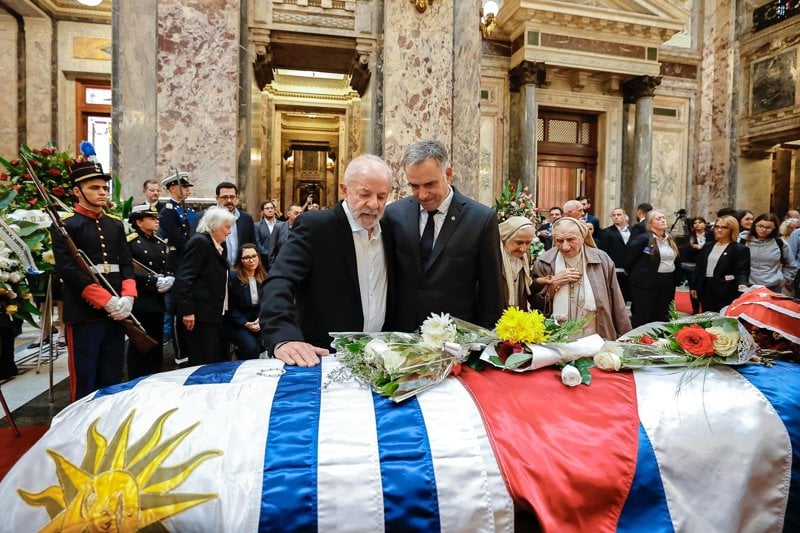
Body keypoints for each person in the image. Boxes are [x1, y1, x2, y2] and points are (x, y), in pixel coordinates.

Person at [261, 154, 394, 367]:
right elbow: (279, 281)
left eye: (381, 196)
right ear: (344, 189)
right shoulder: (316, 227)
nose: (374, 204)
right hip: (323, 357)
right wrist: (283, 337)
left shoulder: (390, 229)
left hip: (381, 357)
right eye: (364, 194)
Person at [383, 140, 503, 331]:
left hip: (456, 335)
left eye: (430, 184)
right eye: (414, 186)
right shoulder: (394, 214)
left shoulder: (481, 219)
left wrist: (489, 343)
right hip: (402, 333)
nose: (422, 195)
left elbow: (492, 290)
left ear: (448, 174)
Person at [50, 161, 137, 401]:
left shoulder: (115, 225)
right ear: (77, 191)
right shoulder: (65, 226)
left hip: (117, 310)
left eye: (104, 188)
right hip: (84, 312)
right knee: (85, 374)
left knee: (112, 371)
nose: (102, 192)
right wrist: (105, 300)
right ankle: (81, 425)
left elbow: (126, 263)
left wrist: (128, 296)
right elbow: (68, 270)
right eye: (95, 187)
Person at [530, 217, 631, 339]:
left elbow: (616, 300)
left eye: (571, 239)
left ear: (583, 238)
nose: (565, 247)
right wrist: (553, 285)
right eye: (559, 241)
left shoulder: (601, 259)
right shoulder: (543, 263)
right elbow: (535, 306)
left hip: (594, 332)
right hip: (557, 336)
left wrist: (625, 337)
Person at [173, 206, 234, 366]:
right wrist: (187, 311)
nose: (229, 232)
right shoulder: (200, 242)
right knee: (202, 357)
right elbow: (184, 278)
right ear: (215, 226)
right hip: (200, 313)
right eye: (227, 227)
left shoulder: (218, 244)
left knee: (213, 355)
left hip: (214, 311)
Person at [126, 204, 173, 378]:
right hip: (141, 299)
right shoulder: (131, 242)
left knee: (156, 342)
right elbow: (128, 270)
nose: (156, 221)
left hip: (157, 299)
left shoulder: (158, 242)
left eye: (156, 218)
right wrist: (152, 281)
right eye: (151, 218)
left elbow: (165, 263)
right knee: (141, 343)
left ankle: (154, 376)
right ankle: (137, 378)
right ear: (139, 221)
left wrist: (169, 277)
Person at [624, 210, 681, 327]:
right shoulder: (643, 239)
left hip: (667, 282)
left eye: (663, 218)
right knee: (644, 313)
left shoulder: (670, 239)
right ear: (650, 224)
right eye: (658, 219)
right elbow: (628, 261)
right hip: (646, 282)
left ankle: (659, 338)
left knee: (663, 313)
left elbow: (677, 260)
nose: (663, 220)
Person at [690, 215, 750, 313]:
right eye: (717, 227)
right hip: (705, 287)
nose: (719, 230)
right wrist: (694, 286)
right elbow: (699, 268)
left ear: (732, 230)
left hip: (725, 289)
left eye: (724, 227)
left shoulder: (739, 249)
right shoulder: (708, 246)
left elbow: (742, 270)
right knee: (707, 316)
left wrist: (742, 283)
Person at [226, 243, 268, 360]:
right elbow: (229, 307)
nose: (251, 260)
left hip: (259, 321)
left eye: (254, 256)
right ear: (240, 260)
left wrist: (261, 320)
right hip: (239, 322)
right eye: (247, 257)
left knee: (266, 344)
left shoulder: (264, 277)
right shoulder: (233, 278)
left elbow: (267, 304)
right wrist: (246, 323)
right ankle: (235, 357)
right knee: (251, 348)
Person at [742, 213, 794, 294]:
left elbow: (791, 265)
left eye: (768, 227)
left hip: (773, 285)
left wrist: (785, 279)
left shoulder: (780, 243)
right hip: (747, 285)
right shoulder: (742, 240)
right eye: (760, 226)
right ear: (755, 225)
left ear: (774, 228)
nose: (763, 230)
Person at [210, 182, 256, 267]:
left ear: (237, 198)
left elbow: (252, 245)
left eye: (232, 197)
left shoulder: (246, 219)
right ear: (217, 198)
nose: (229, 201)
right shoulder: (206, 218)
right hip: (217, 271)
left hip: (241, 271)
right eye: (224, 197)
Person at [498, 216, 535, 310]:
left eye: (528, 243)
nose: (523, 248)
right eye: (519, 242)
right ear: (505, 238)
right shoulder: (493, 258)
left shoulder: (526, 256)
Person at [598, 207, 632, 302]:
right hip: (615, 267)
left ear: (624, 216)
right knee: (616, 296)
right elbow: (604, 251)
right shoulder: (606, 232)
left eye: (619, 215)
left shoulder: (632, 231)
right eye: (614, 215)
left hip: (630, 269)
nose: (616, 217)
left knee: (629, 295)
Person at [682, 216, 711, 313]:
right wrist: (694, 247)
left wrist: (699, 247)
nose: (697, 224)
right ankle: (695, 308)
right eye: (695, 223)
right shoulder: (689, 236)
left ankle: (704, 307)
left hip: (706, 264)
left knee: (704, 286)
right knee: (693, 286)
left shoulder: (710, 235)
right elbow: (685, 249)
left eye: (700, 222)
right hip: (692, 265)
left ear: (704, 224)